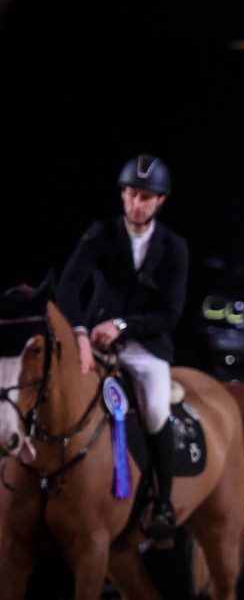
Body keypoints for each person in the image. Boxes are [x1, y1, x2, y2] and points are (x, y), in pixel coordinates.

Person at [56, 154, 188, 542]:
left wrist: (123, 325)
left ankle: (162, 501)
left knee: (155, 411)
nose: (136, 204)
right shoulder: (101, 233)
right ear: (123, 195)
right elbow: (68, 285)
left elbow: (171, 313)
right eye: (131, 195)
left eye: (146, 198)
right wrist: (80, 331)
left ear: (160, 201)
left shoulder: (174, 246)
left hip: (146, 347)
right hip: (94, 341)